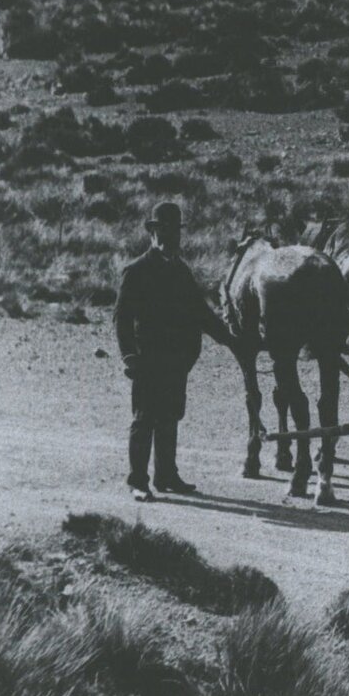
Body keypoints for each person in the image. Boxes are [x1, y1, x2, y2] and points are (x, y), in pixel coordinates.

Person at [114, 201, 242, 500]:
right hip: (147, 358)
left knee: (171, 415)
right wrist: (129, 356)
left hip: (177, 359)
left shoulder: (181, 271)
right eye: (164, 231)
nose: (170, 238)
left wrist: (231, 340)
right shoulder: (136, 270)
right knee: (145, 417)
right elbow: (121, 318)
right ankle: (137, 481)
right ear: (153, 232)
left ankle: (166, 476)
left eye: (175, 232)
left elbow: (201, 313)